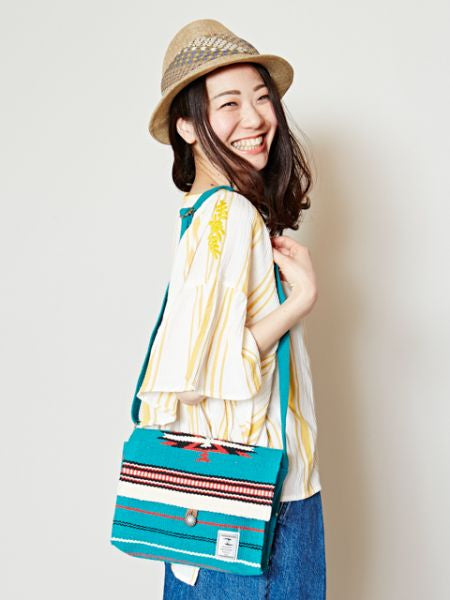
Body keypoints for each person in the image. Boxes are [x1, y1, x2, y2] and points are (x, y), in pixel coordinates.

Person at [136, 18, 326, 599]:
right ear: (187, 126)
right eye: (229, 103)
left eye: (262, 98)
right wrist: (299, 303)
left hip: (212, 501)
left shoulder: (205, 212)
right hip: (260, 501)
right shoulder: (229, 215)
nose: (255, 118)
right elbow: (203, 377)